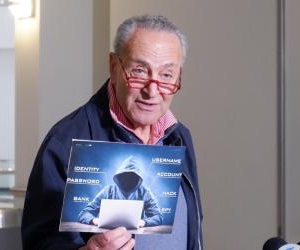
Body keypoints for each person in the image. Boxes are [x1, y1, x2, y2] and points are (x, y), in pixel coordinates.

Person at [22, 14, 203, 250]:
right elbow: (39, 242)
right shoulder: (66, 141)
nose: (153, 91)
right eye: (139, 71)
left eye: (167, 75)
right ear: (114, 66)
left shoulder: (179, 137)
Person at [78, 156, 162, 228]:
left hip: (136, 235)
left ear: (138, 179)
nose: (128, 180)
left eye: (132, 177)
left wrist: (144, 222)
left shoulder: (145, 192)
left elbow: (158, 217)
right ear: (119, 177)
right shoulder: (108, 191)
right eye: (125, 176)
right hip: (106, 233)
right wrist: (94, 220)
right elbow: (84, 213)